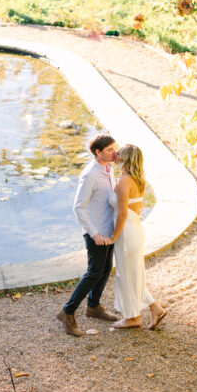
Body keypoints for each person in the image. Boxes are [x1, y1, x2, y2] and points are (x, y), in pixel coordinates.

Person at [56, 133, 120, 337]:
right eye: (109, 150)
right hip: (97, 232)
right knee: (93, 272)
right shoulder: (90, 175)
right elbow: (78, 207)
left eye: (114, 148)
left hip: (109, 229)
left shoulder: (109, 167)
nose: (114, 152)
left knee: (106, 269)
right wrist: (94, 234)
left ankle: (93, 307)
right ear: (97, 152)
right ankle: (67, 312)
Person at [108, 143, 166, 330]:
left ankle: (132, 318)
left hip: (126, 233)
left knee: (126, 276)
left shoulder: (124, 181)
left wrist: (113, 236)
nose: (115, 154)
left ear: (126, 159)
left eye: (119, 153)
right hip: (134, 230)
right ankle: (155, 308)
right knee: (133, 275)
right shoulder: (137, 179)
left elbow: (123, 213)